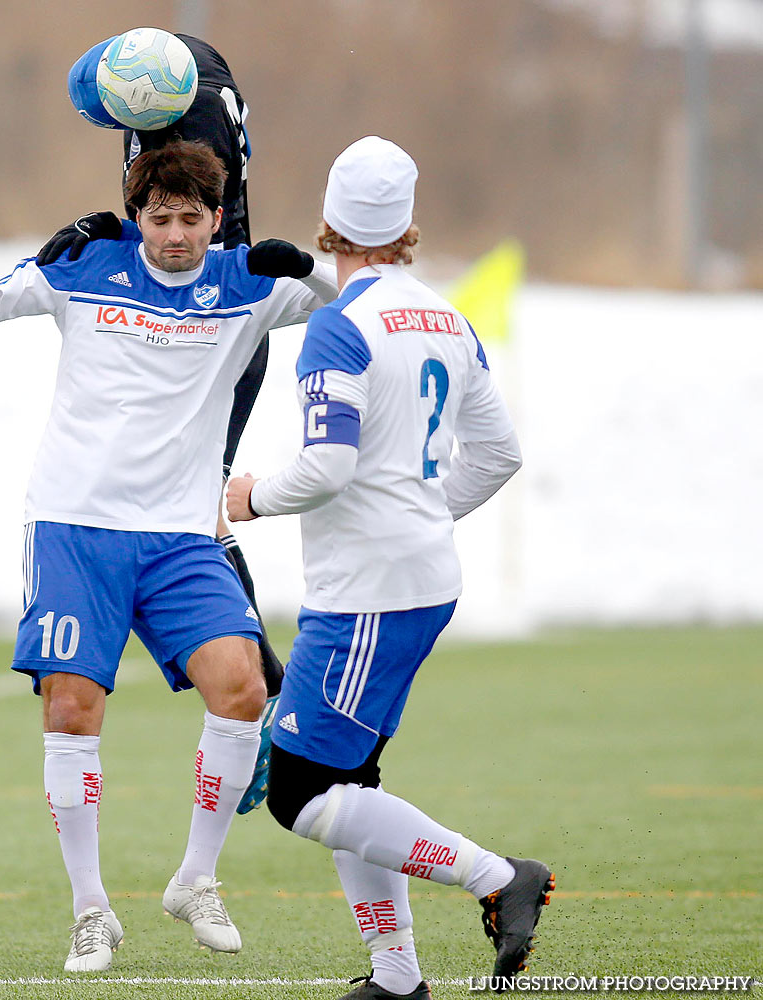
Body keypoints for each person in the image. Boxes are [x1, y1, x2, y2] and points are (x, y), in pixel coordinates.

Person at [0, 139, 338, 972]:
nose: (176, 235)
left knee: (243, 689)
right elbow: (4, 287)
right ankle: (90, 910)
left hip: (182, 536)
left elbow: (354, 311)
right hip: (75, 529)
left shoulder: (246, 282)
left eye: (192, 218)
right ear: (136, 214)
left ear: (216, 219)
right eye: (159, 217)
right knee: (72, 710)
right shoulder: (90, 262)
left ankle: (196, 877)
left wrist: (309, 267)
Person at [225, 136, 553, 998]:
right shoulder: (449, 317)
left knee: (300, 793)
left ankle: (496, 877)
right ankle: (397, 976)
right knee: (350, 782)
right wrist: (418, 512)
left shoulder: (340, 326)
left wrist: (246, 496)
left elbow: (327, 467)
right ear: (408, 227)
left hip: (371, 593)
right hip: (416, 579)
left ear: (329, 223)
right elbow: (500, 454)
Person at [42, 31, 282, 815]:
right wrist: (103, 226)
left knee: (201, 509)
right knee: (198, 509)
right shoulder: (175, 80)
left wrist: (112, 232)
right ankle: (267, 698)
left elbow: (180, 226)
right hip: (195, 325)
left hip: (215, 329)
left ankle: (272, 712)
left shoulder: (189, 119)